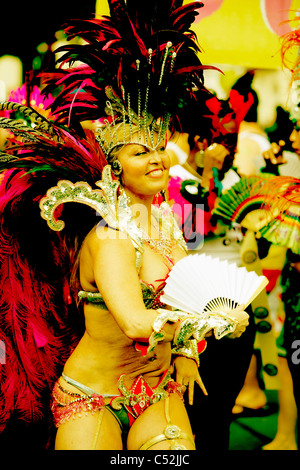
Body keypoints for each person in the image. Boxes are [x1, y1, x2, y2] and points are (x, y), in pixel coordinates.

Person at [0, 2, 250, 451]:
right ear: (114, 168)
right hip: (92, 395)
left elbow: (183, 290)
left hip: (155, 389)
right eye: (139, 152)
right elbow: (136, 323)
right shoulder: (110, 236)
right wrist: (208, 321)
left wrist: (186, 354)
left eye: (158, 147)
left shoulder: (169, 220)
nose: (156, 158)